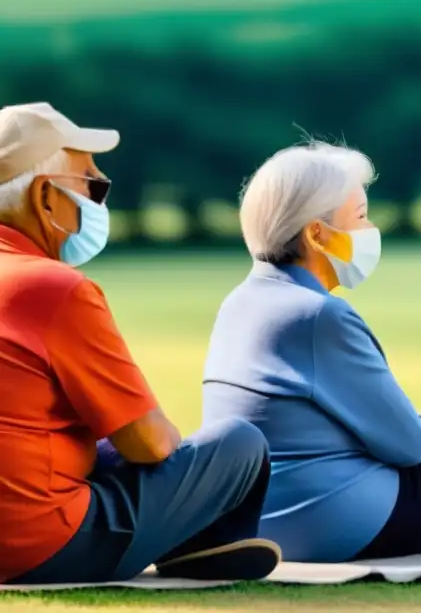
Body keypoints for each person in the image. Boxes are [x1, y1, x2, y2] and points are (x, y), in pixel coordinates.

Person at [202, 141, 421, 562]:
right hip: (333, 522)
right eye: (360, 216)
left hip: (254, 521)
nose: (370, 228)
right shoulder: (319, 315)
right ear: (317, 234)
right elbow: (411, 445)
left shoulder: (238, 303)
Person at [0, 102, 280, 586]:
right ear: (45, 197)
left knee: (103, 448)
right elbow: (149, 443)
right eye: (92, 185)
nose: (99, 199)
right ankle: (202, 546)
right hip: (38, 546)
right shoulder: (53, 288)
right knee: (238, 443)